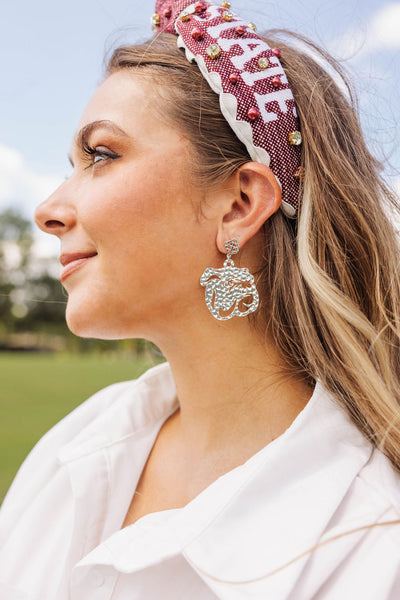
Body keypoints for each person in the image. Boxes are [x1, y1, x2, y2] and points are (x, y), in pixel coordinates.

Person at [1, 1, 400, 598]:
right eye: (70, 165)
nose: (49, 210)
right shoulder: (74, 445)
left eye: (101, 156)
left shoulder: (374, 550)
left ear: (240, 205)